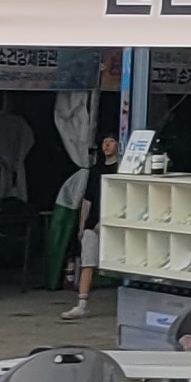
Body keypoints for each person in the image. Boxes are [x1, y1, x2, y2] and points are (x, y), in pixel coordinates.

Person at [60, 129, 115, 318]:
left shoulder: (122, 170)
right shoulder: (95, 170)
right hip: (94, 222)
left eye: (111, 142)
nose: (107, 145)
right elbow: (88, 200)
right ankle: (81, 303)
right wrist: (82, 226)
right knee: (87, 262)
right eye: (105, 141)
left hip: (114, 222)